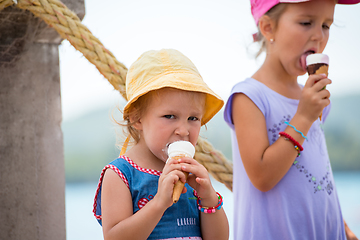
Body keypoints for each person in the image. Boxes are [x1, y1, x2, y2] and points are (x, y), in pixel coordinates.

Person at [223, 0, 359, 239]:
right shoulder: (249, 97)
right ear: (268, 27)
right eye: (306, 22)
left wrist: (344, 229)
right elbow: (263, 176)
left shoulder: (309, 98)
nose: (319, 35)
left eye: (327, 25)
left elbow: (316, 175)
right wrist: (304, 116)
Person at [93, 49, 229, 240]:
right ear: (136, 118)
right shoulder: (121, 175)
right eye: (170, 116)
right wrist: (159, 203)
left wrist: (209, 199)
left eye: (193, 118)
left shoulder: (192, 174)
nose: (183, 130)